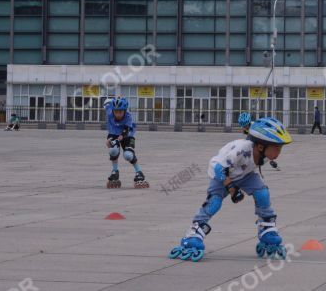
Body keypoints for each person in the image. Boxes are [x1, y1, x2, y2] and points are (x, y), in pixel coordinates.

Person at [169, 117, 292, 262]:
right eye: (277, 147)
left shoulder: (263, 154)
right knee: (214, 202)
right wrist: (232, 189)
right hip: (221, 174)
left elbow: (249, 167)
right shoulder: (241, 149)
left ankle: (266, 229)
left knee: (263, 194)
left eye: (280, 147)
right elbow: (219, 167)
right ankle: (193, 233)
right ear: (260, 146)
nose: (279, 151)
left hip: (243, 174)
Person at [104, 97, 147, 189]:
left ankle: (139, 172)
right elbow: (107, 103)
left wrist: (122, 136)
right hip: (114, 133)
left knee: (128, 155)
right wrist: (108, 140)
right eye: (116, 112)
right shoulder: (109, 112)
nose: (118, 114)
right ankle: (115, 171)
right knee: (113, 150)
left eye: (120, 112)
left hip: (128, 134)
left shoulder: (128, 116)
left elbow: (126, 130)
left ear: (124, 110)